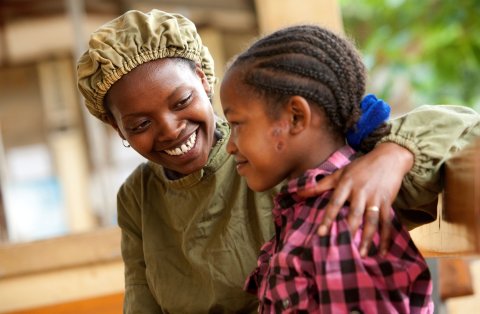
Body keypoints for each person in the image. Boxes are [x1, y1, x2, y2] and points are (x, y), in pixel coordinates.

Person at [76, 9, 479, 313]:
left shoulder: (293, 158)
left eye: (181, 102)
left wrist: (395, 154)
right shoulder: (138, 196)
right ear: (117, 129)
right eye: (140, 123)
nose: (168, 130)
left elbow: (463, 127)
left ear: (203, 81)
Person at [220, 24, 433, 313]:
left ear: (296, 117)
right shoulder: (304, 208)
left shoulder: (342, 216)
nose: (230, 146)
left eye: (237, 124)